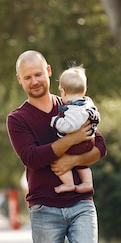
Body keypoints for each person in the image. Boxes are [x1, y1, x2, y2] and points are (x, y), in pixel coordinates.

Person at [6, 50, 107, 243]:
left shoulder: (74, 103)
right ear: (20, 80)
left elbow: (100, 145)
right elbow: (32, 157)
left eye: (38, 74)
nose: (34, 81)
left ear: (48, 71)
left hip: (80, 203)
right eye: (28, 77)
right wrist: (73, 140)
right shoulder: (17, 119)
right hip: (43, 206)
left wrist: (72, 162)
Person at [49, 66, 100, 194]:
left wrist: (56, 121)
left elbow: (69, 126)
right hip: (89, 140)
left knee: (57, 158)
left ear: (64, 92)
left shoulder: (74, 109)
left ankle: (68, 184)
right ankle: (88, 183)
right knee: (82, 165)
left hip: (78, 144)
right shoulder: (87, 103)